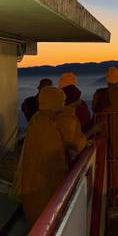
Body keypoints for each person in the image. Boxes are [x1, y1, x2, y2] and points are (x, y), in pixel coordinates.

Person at [20, 87, 78, 226]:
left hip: (32, 188)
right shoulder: (46, 127)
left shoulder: (38, 119)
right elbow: (55, 163)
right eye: (61, 102)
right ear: (54, 103)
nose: (63, 105)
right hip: (43, 192)